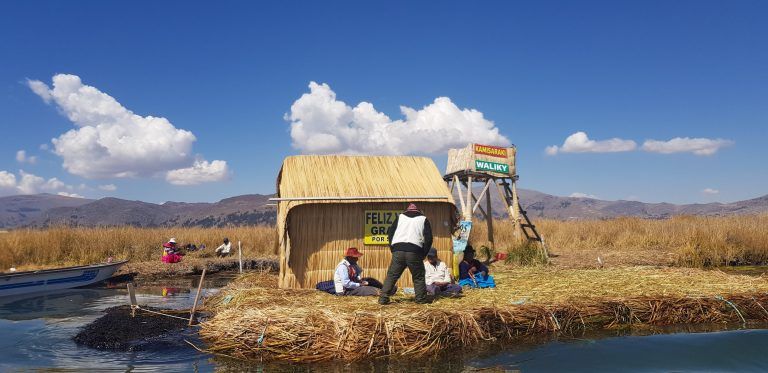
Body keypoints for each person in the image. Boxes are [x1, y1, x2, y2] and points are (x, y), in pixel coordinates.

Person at [379, 203, 433, 305]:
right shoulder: (423, 219)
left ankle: (383, 298)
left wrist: (393, 248)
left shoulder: (400, 217)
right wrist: (423, 254)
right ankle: (420, 300)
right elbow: (429, 238)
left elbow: (390, 233)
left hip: (398, 250)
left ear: (406, 211)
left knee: (392, 275)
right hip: (414, 250)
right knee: (418, 276)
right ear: (418, 211)